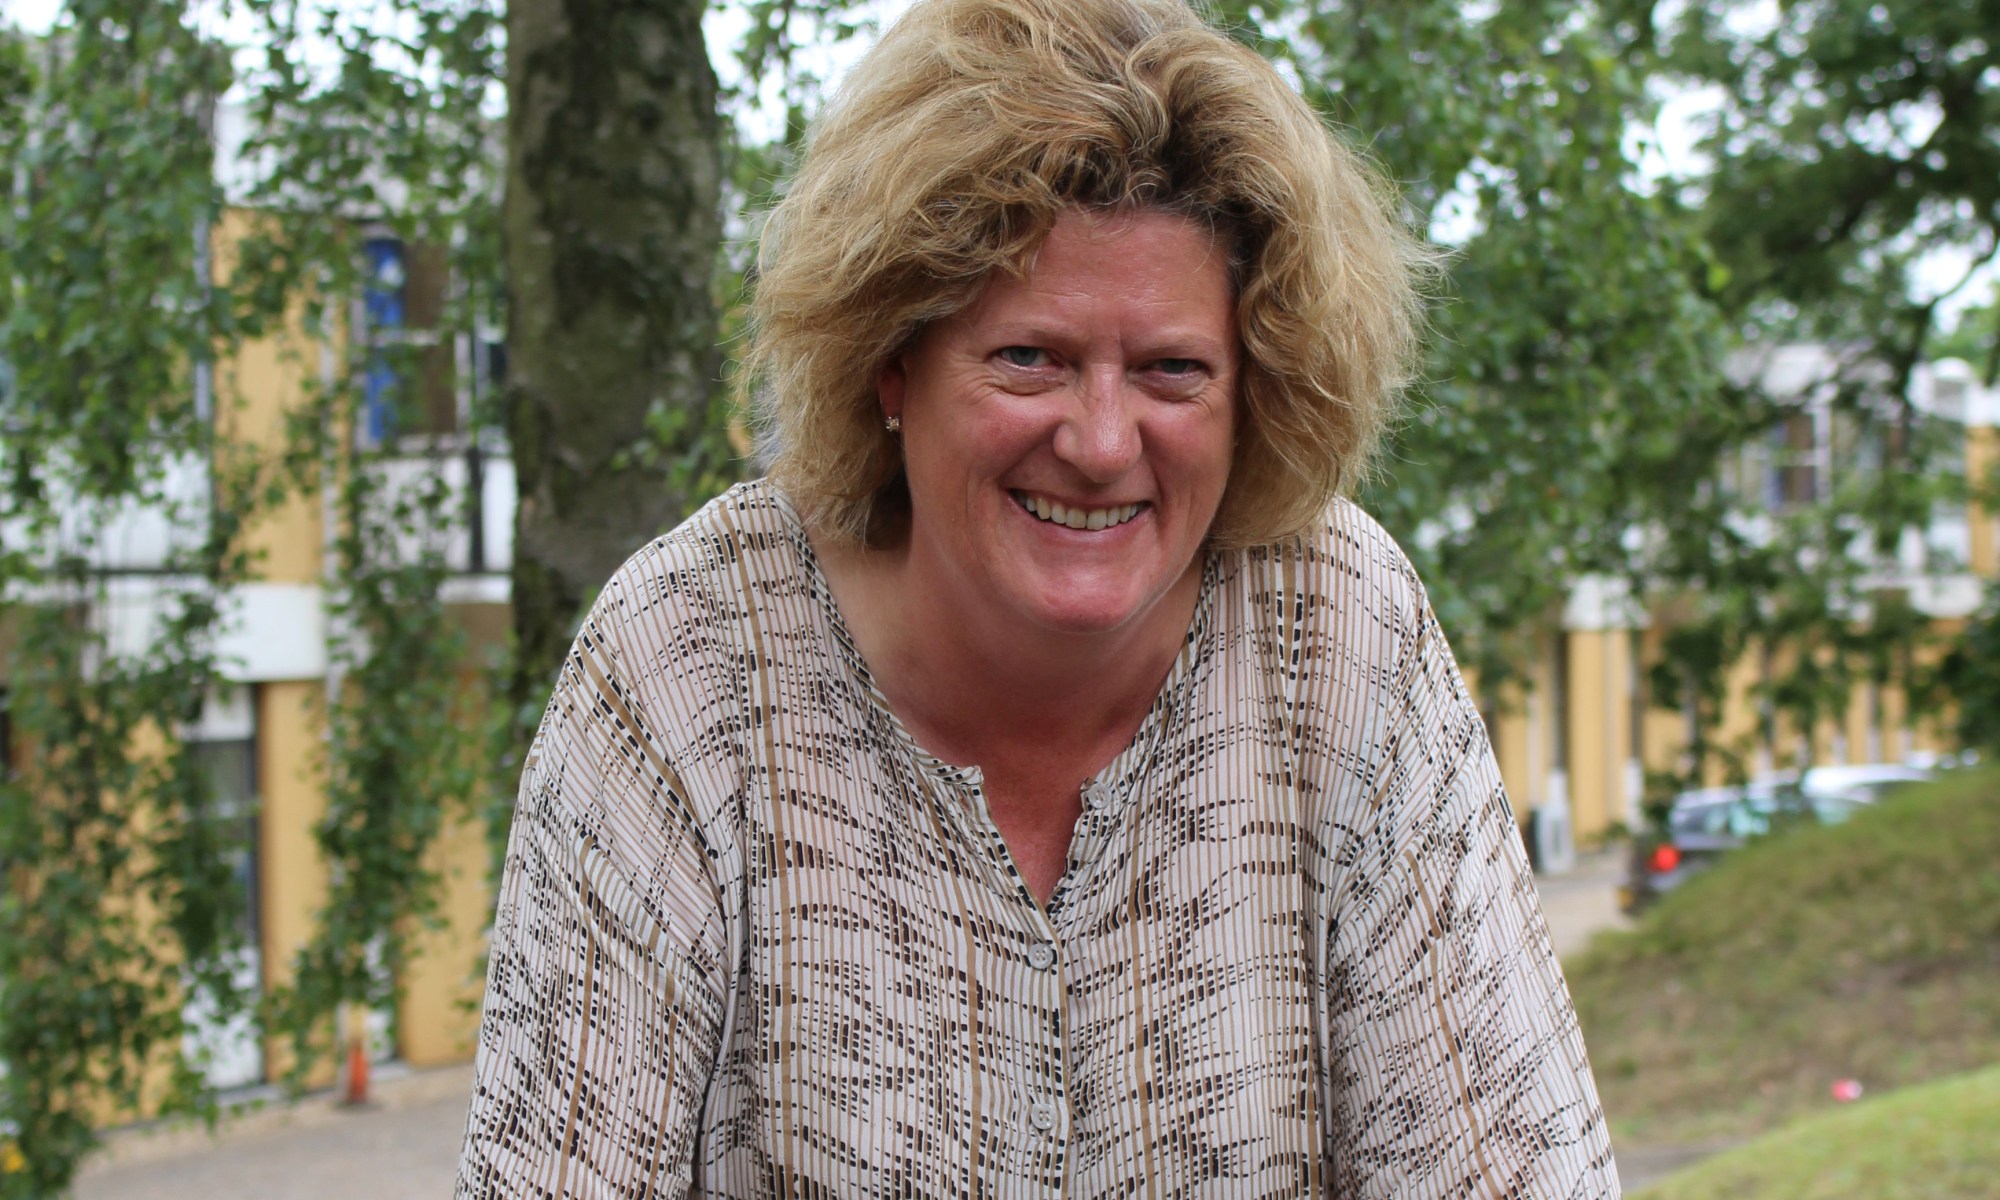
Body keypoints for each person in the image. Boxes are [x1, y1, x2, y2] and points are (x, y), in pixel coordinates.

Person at [456, 0, 1620, 1194]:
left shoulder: (1332, 634)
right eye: (1029, 359)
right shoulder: (687, 662)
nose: (1102, 443)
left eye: (1170, 370)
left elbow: (1512, 1166)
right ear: (890, 361)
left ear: (1253, 391)